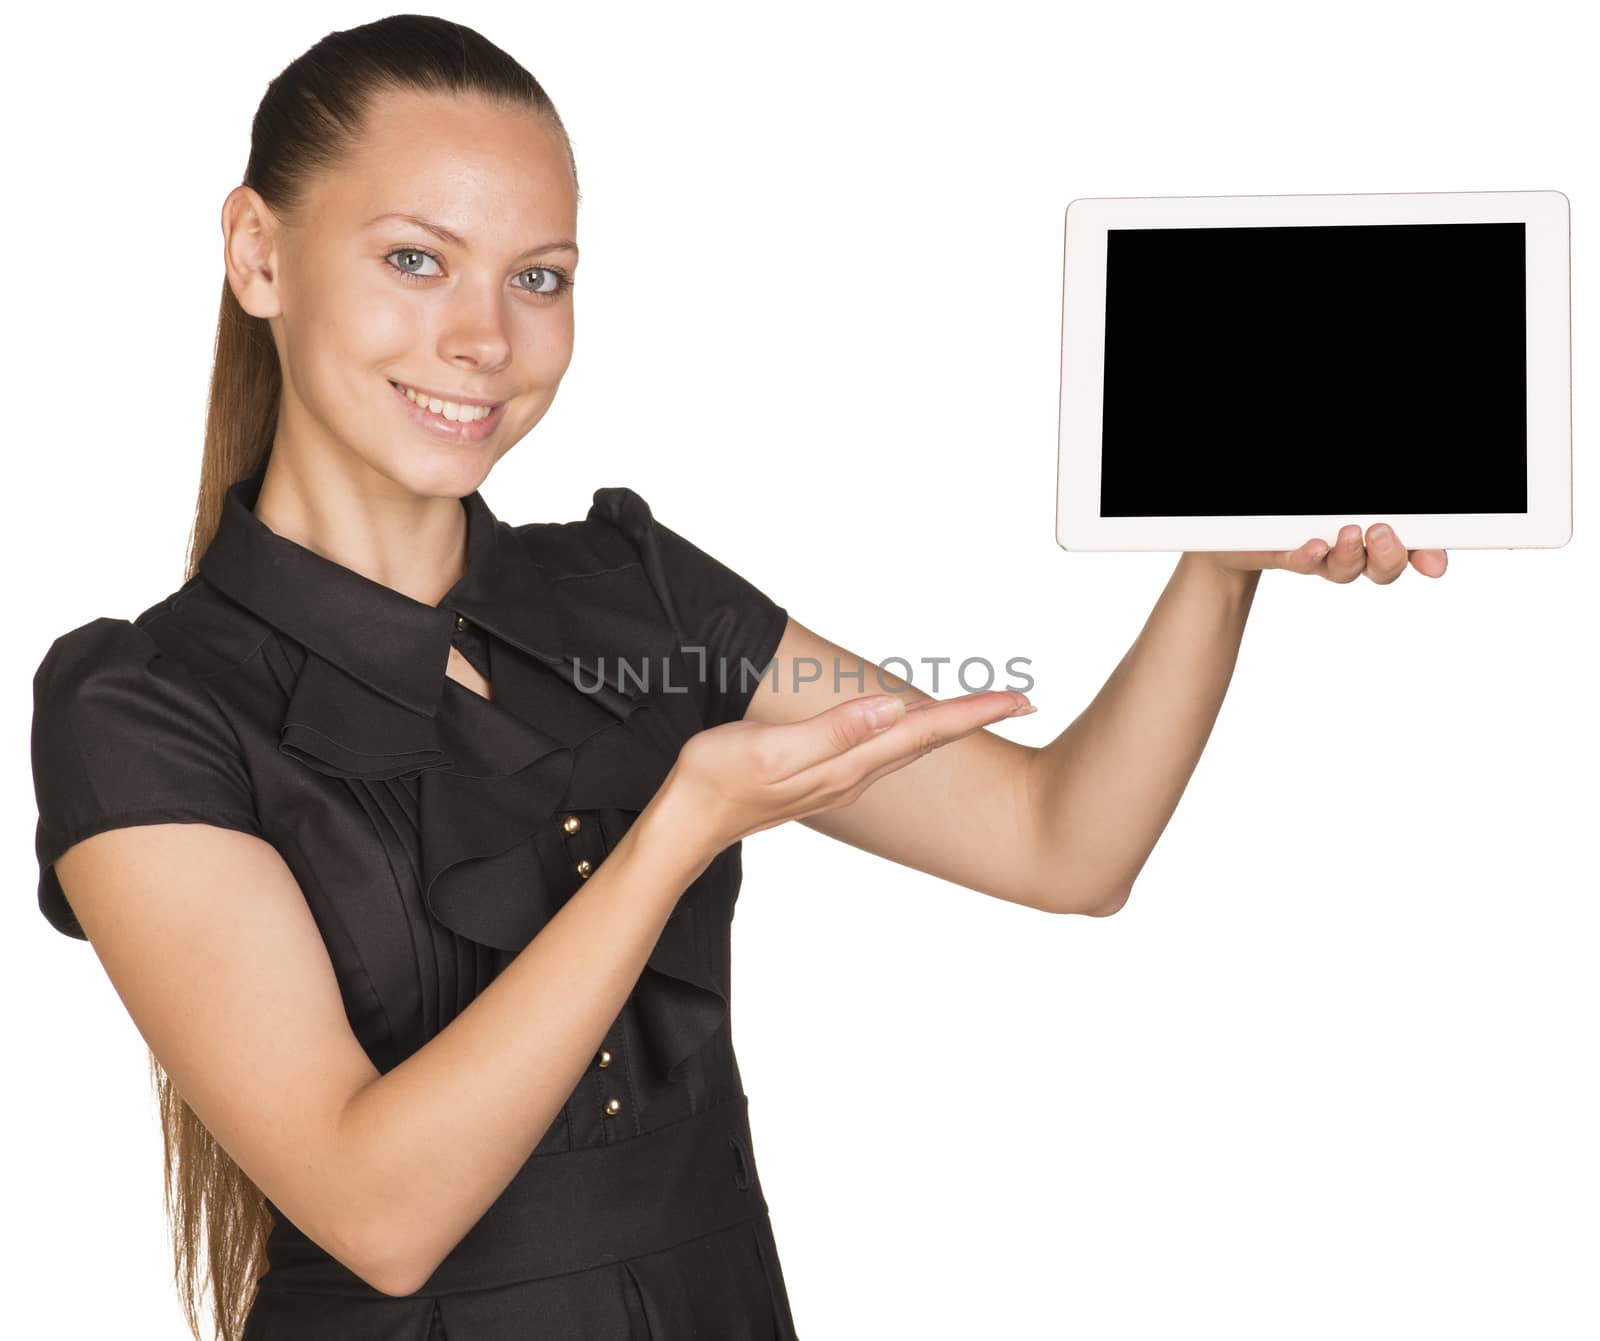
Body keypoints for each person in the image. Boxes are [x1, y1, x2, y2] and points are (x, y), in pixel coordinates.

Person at [27, 14, 1449, 1341]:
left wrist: (1216, 565)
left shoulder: (634, 593)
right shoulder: (142, 707)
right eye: (416, 259)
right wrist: (677, 831)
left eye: (540, 277)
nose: (486, 338)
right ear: (259, 255)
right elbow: (379, 1212)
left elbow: (1062, 839)